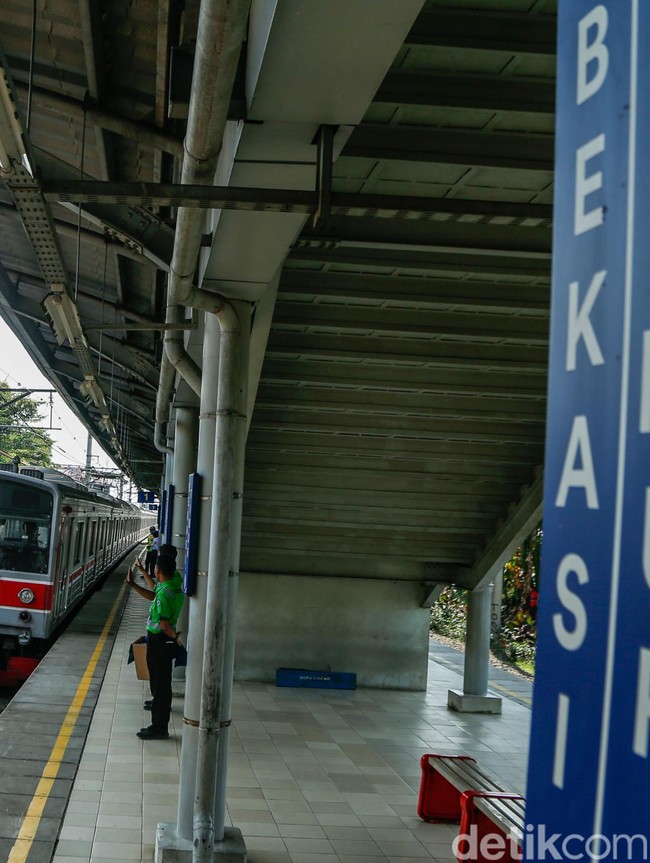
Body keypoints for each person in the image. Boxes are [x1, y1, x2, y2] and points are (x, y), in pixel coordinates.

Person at [125, 553, 184, 740]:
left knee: (160, 685)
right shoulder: (172, 585)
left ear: (158, 570)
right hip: (163, 642)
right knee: (162, 684)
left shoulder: (164, 594)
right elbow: (154, 592)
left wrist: (175, 638)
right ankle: (159, 722)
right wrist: (135, 582)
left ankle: (159, 727)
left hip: (160, 642)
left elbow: (164, 624)